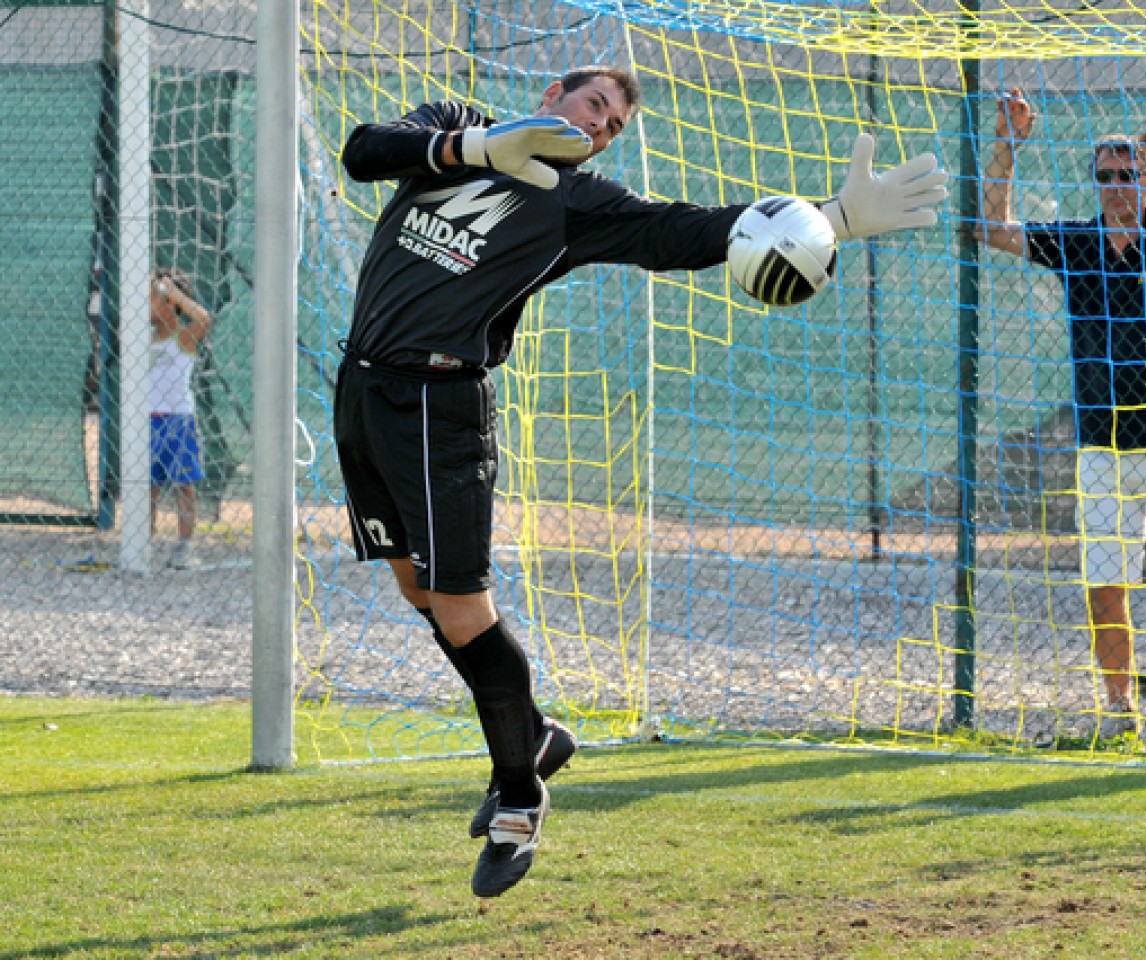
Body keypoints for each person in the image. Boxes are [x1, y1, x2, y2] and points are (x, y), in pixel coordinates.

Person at [337, 64, 947, 897]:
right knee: (415, 590)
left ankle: (520, 799)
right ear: (553, 95)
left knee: (461, 607)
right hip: (363, 387)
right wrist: (483, 145)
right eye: (595, 106)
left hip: (440, 405)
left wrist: (833, 217)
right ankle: (536, 737)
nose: (600, 126)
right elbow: (363, 152)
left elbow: (685, 232)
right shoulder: (454, 125)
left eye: (615, 125)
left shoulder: (577, 205)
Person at [976, 88, 1146, 748]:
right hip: (1102, 443)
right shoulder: (1077, 242)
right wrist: (1008, 149)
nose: (1115, 185)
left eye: (1129, 174)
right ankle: (1116, 707)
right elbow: (996, 229)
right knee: (1105, 583)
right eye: (1105, 176)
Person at [149, 268, 213, 570]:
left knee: (184, 484)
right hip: (147, 422)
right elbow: (121, 336)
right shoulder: (143, 338)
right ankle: (143, 545)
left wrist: (176, 296)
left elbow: (203, 320)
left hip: (178, 421)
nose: (146, 303)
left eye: (153, 297)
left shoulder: (182, 338)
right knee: (147, 486)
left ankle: (185, 547)